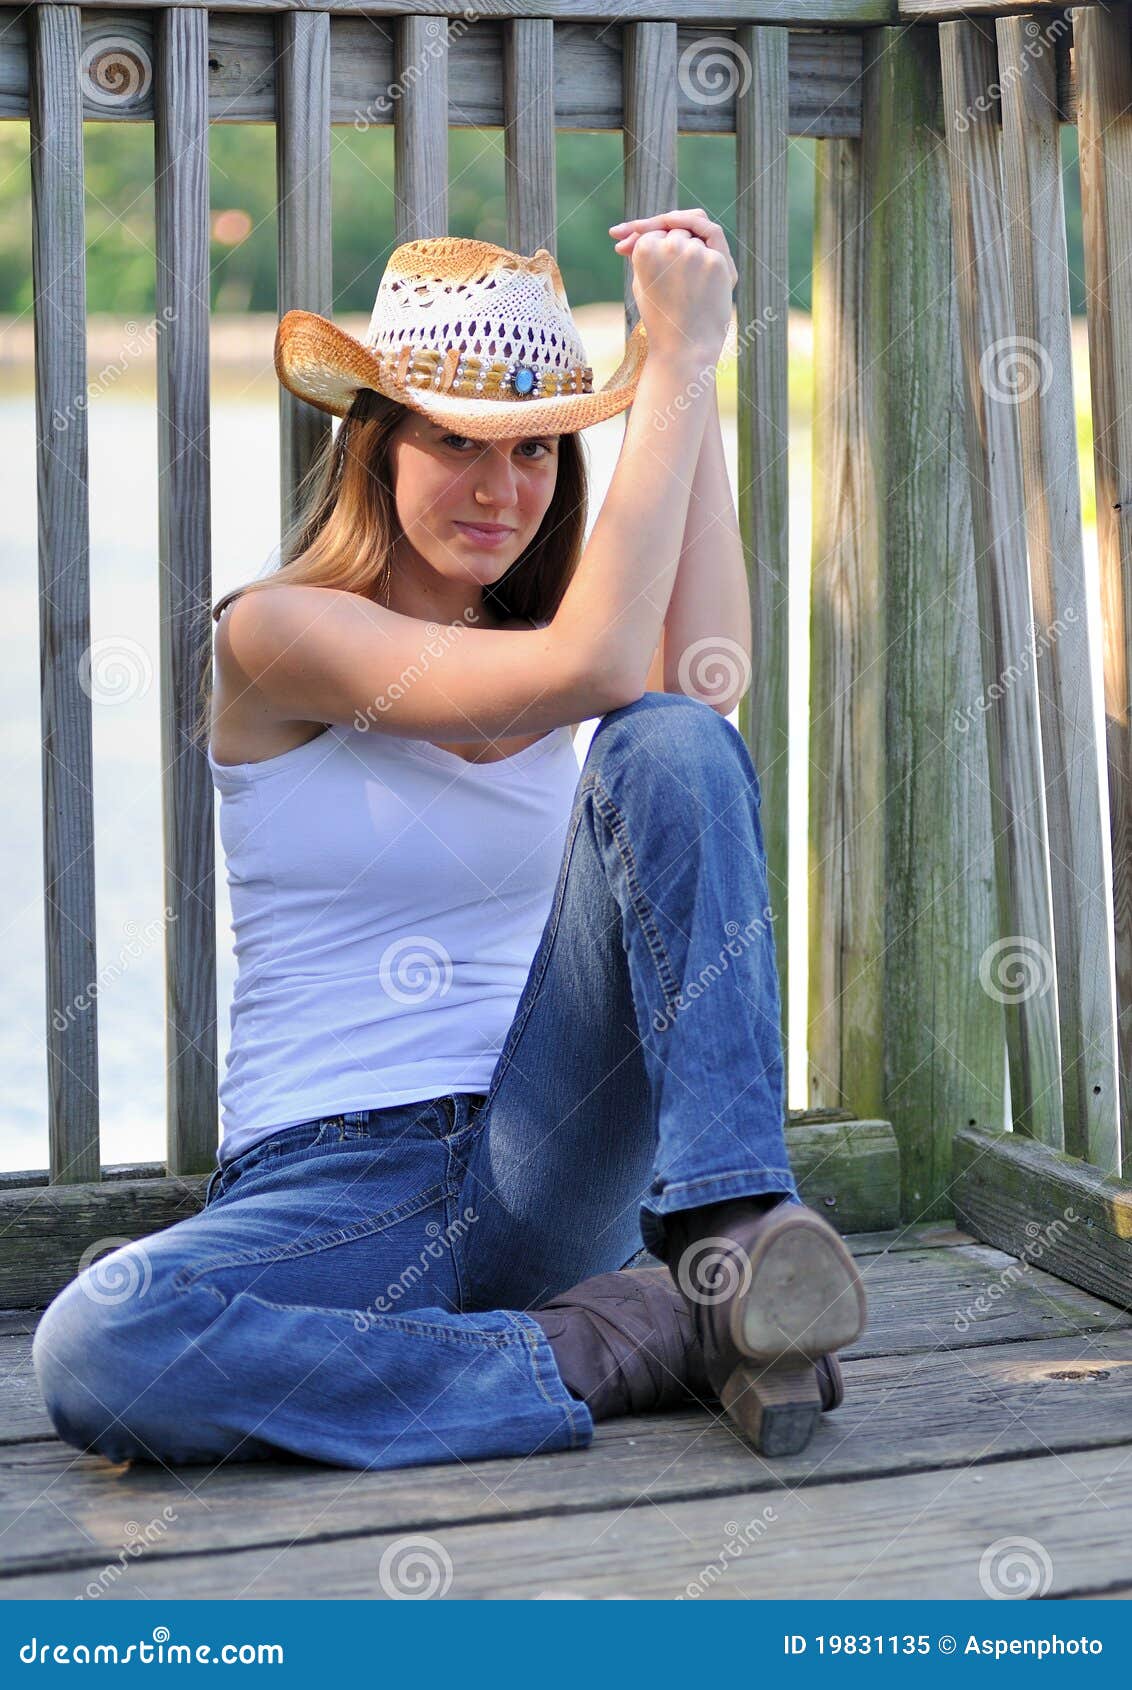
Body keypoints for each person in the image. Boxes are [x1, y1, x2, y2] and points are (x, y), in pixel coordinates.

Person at [32, 214, 866, 1474]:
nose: (503, 490)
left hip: (552, 1153)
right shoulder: (276, 632)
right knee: (103, 1340)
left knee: (678, 736)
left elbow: (702, 677)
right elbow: (568, 669)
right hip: (335, 1192)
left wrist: (682, 370)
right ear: (374, 443)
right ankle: (625, 1339)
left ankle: (733, 1232)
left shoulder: (571, 666)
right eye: (458, 443)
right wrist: (671, 352)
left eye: (537, 450)